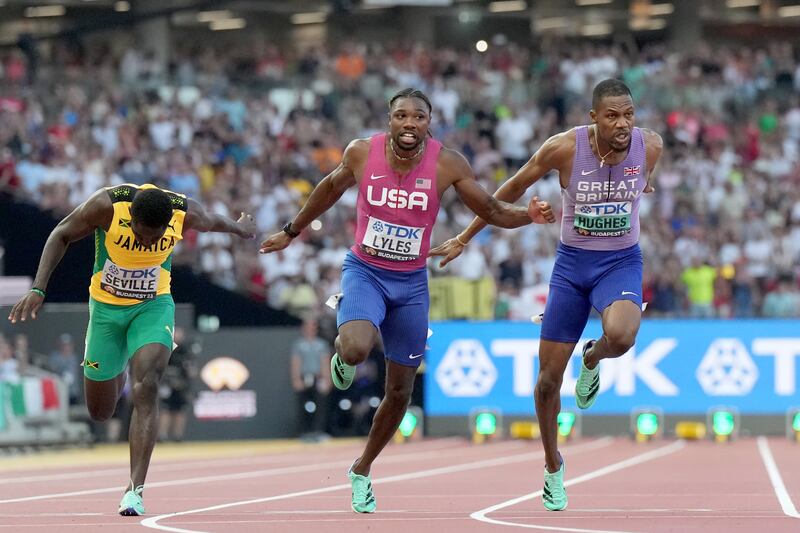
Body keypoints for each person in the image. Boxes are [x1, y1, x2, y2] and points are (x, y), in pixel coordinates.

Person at [260, 87, 555, 514]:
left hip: (411, 284)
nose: (410, 124)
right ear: (389, 119)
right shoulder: (362, 152)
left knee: (399, 391)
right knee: (357, 347)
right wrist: (291, 231)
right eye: (402, 116)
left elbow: (491, 209)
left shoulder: (448, 163)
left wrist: (527, 216)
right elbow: (328, 188)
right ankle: (343, 354)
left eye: (418, 117)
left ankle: (361, 469)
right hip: (365, 272)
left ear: (428, 122)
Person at [430, 79, 663, 511]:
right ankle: (553, 466)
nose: (622, 124)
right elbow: (509, 191)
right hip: (573, 268)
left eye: (628, 114)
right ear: (593, 117)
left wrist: (643, 184)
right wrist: (465, 237)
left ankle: (591, 359)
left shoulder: (648, 146)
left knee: (624, 336)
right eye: (612, 115)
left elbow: (645, 177)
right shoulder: (563, 148)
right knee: (546, 384)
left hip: (620, 262)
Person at [7, 183, 256, 516]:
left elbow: (212, 221)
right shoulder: (107, 206)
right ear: (131, 219)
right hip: (107, 312)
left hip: (153, 306)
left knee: (148, 384)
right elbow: (60, 234)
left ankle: (135, 489)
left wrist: (240, 228)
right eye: (141, 236)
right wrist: (39, 287)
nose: (148, 244)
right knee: (100, 411)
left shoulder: (184, 212)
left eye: (155, 239)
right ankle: (121, 363)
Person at [289, 316, 332, 441]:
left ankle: (318, 431)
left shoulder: (321, 345)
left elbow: (324, 363)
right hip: (305, 377)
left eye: (312, 326)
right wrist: (296, 379)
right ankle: (303, 432)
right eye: (307, 326)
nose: (310, 329)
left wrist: (327, 380)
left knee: (321, 405)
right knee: (303, 405)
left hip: (318, 377)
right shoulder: (298, 345)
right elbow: (295, 363)